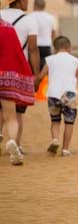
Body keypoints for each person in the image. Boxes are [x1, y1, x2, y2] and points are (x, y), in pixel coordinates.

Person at [0, 0, 40, 152]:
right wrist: (36, 75)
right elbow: (33, 50)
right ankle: (16, 144)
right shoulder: (29, 20)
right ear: (20, 0)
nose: (28, 2)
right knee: (16, 114)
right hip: (16, 72)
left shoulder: (1, 16)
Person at [34, 36, 78, 156]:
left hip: (53, 94)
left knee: (55, 121)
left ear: (55, 48)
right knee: (69, 122)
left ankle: (55, 140)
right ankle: (65, 149)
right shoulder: (74, 60)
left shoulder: (50, 60)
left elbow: (40, 76)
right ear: (68, 47)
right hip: (69, 94)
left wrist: (35, 87)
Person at [0, 18, 35, 165]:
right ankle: (13, 141)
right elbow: (17, 54)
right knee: (10, 117)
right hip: (7, 78)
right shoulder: (8, 28)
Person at [32, 0, 57, 70]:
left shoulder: (30, 16)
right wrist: (55, 47)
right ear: (44, 6)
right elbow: (53, 34)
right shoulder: (51, 18)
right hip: (47, 46)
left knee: (34, 69)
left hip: (34, 46)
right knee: (46, 69)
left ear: (34, 5)